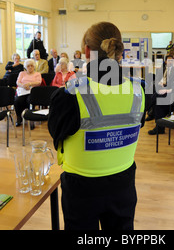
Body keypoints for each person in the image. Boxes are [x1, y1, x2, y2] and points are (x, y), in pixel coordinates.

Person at [48, 21, 145, 230]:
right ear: (120, 51)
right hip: (124, 183)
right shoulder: (139, 90)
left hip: (81, 187)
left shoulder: (68, 95)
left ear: (85, 51)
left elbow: (57, 135)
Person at [14, 59, 42, 126]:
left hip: (32, 91)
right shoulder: (22, 73)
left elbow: (39, 82)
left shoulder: (37, 74)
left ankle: (31, 119)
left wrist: (29, 84)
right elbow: (18, 82)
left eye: (32, 66)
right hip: (23, 90)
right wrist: (23, 85)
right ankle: (19, 117)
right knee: (17, 100)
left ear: (34, 66)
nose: (30, 67)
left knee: (29, 100)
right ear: (25, 67)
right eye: (28, 66)